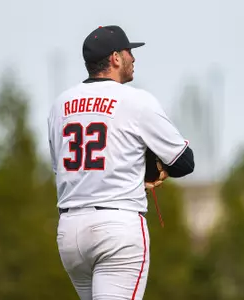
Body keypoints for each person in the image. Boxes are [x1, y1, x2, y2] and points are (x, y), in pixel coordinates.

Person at [47, 25, 195, 300]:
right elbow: (184, 162)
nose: (134, 58)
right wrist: (150, 169)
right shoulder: (135, 100)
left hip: (70, 232)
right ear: (115, 57)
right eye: (129, 52)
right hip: (116, 228)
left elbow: (65, 169)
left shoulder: (60, 104)